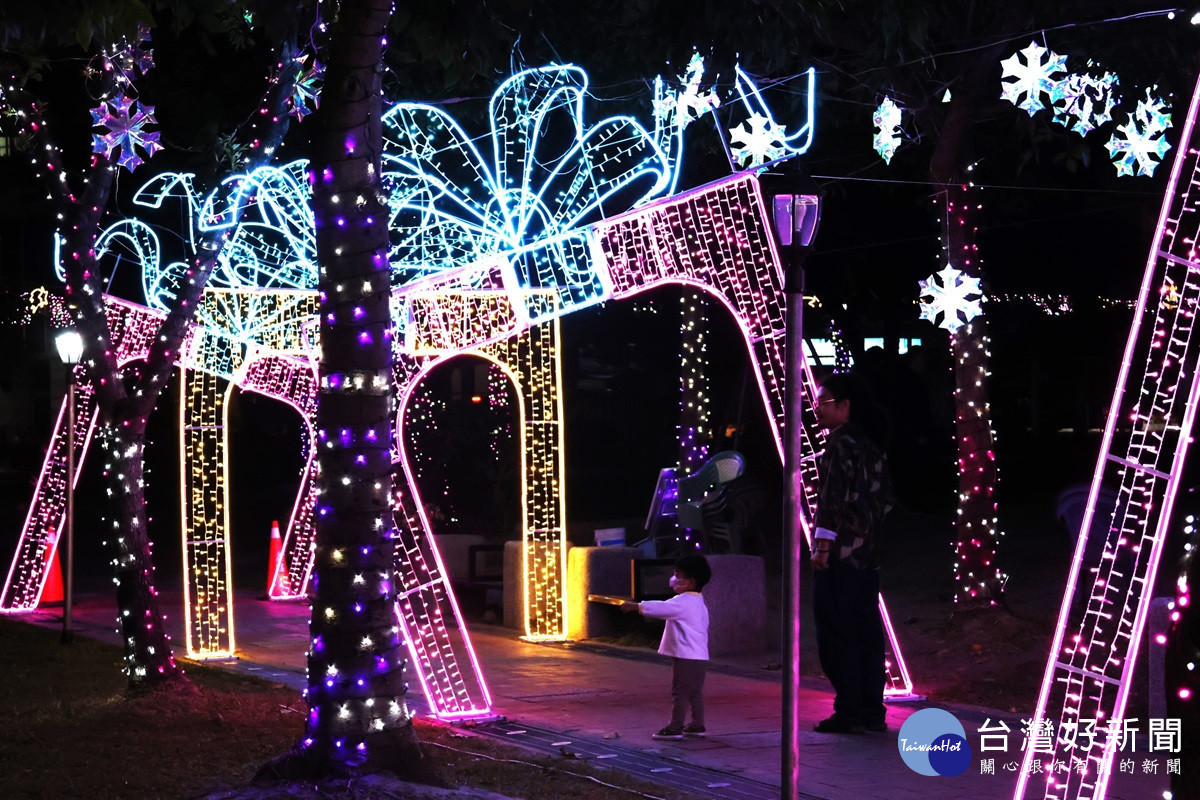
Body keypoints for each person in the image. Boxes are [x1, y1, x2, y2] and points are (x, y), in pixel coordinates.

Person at [810, 371, 895, 735]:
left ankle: (850, 710)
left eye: (824, 402)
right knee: (866, 630)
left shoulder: (841, 445)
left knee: (836, 628)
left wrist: (824, 544)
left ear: (846, 406)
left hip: (841, 554)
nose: (817, 409)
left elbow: (832, 498)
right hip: (867, 554)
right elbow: (885, 500)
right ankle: (872, 709)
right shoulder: (873, 445)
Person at [621, 554, 712, 739]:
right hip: (700, 656)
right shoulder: (698, 601)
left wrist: (636, 606)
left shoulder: (683, 602)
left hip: (686, 656)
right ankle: (697, 724)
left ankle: (675, 727)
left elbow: (661, 608)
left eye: (677, 574)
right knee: (694, 691)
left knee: (680, 691)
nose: (673, 578)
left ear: (690, 581)